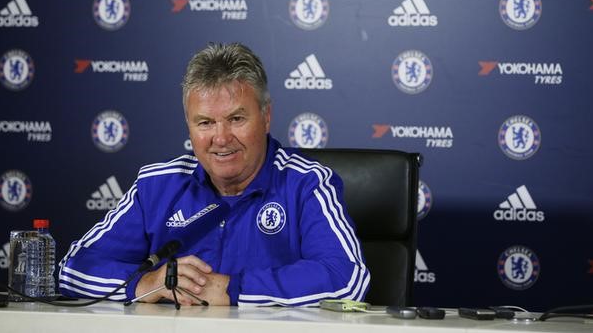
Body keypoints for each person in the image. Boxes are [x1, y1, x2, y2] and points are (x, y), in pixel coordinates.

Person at [59, 43, 369, 306]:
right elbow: (72, 269)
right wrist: (145, 285)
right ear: (189, 126)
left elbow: (348, 277)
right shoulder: (157, 185)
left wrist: (232, 289)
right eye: (205, 123)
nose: (220, 138)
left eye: (236, 118)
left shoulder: (307, 183)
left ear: (266, 116)